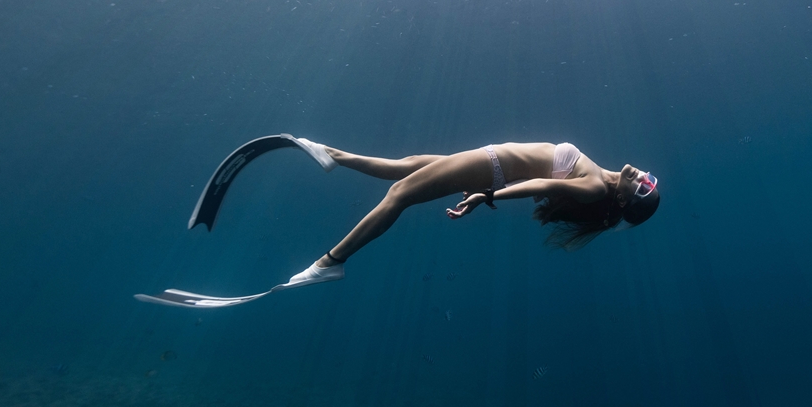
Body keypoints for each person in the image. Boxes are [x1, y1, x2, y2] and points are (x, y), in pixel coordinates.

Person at [136, 139, 659, 308]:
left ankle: (330, 262)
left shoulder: (593, 187)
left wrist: (485, 193)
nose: (642, 176)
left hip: (492, 168)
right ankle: (330, 154)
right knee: (405, 167)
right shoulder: (605, 176)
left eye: (642, 188)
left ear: (623, 199)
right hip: (489, 161)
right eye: (648, 180)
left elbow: (543, 186)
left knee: (400, 194)